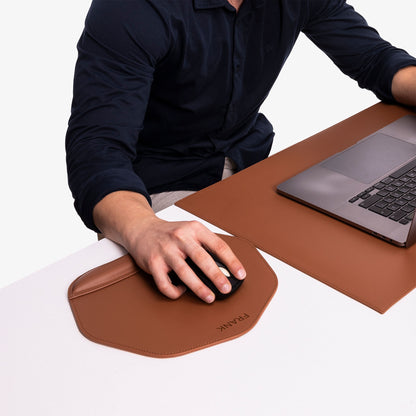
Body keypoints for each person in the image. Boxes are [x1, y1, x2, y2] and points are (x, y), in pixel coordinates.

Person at [66, 0, 416, 303]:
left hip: (249, 169)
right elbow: (97, 148)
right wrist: (143, 228)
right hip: (153, 192)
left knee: (345, 273)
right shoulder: (132, 9)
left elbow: (376, 60)